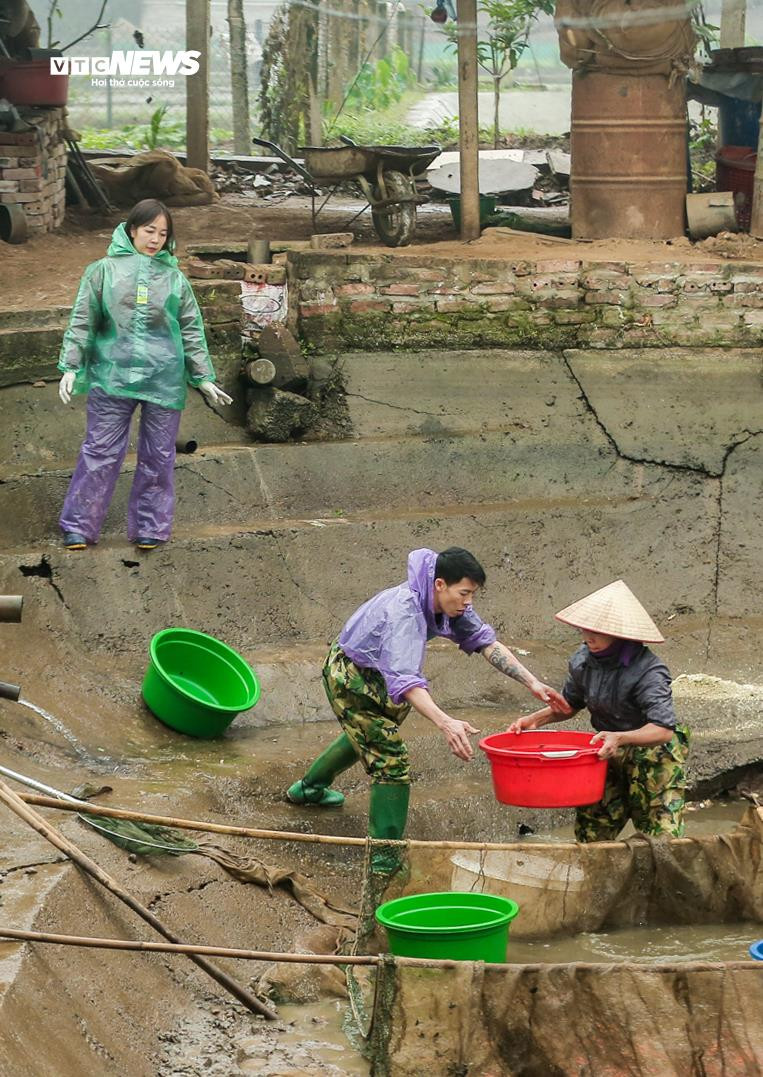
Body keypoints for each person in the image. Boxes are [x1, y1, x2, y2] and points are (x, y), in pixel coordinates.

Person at [286, 546, 571, 876]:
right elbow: (407, 683)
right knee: (390, 760)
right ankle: (384, 862)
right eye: (464, 593)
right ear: (440, 585)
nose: (468, 602)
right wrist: (446, 723)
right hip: (350, 676)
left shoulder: (452, 605)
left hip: (382, 671)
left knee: (371, 735)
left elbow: (485, 642)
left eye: (472, 595)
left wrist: (533, 683)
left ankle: (308, 788)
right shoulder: (405, 614)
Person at [57, 198, 232, 551]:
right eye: (149, 230)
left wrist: (203, 377)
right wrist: (71, 366)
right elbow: (82, 321)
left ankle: (151, 527)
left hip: (163, 377)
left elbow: (190, 330)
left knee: (159, 454)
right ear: (132, 229)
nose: (155, 239)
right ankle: (78, 525)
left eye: (163, 233)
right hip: (112, 375)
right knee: (100, 451)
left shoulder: (174, 279)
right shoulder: (101, 271)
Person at [508, 579, 689, 842]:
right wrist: (535, 719)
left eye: (598, 632)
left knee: (660, 839)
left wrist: (622, 738)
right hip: (605, 747)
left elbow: (662, 729)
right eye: (585, 630)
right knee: (592, 832)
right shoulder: (583, 661)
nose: (588, 638)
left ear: (620, 633)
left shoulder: (649, 670)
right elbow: (570, 704)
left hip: (653, 754)